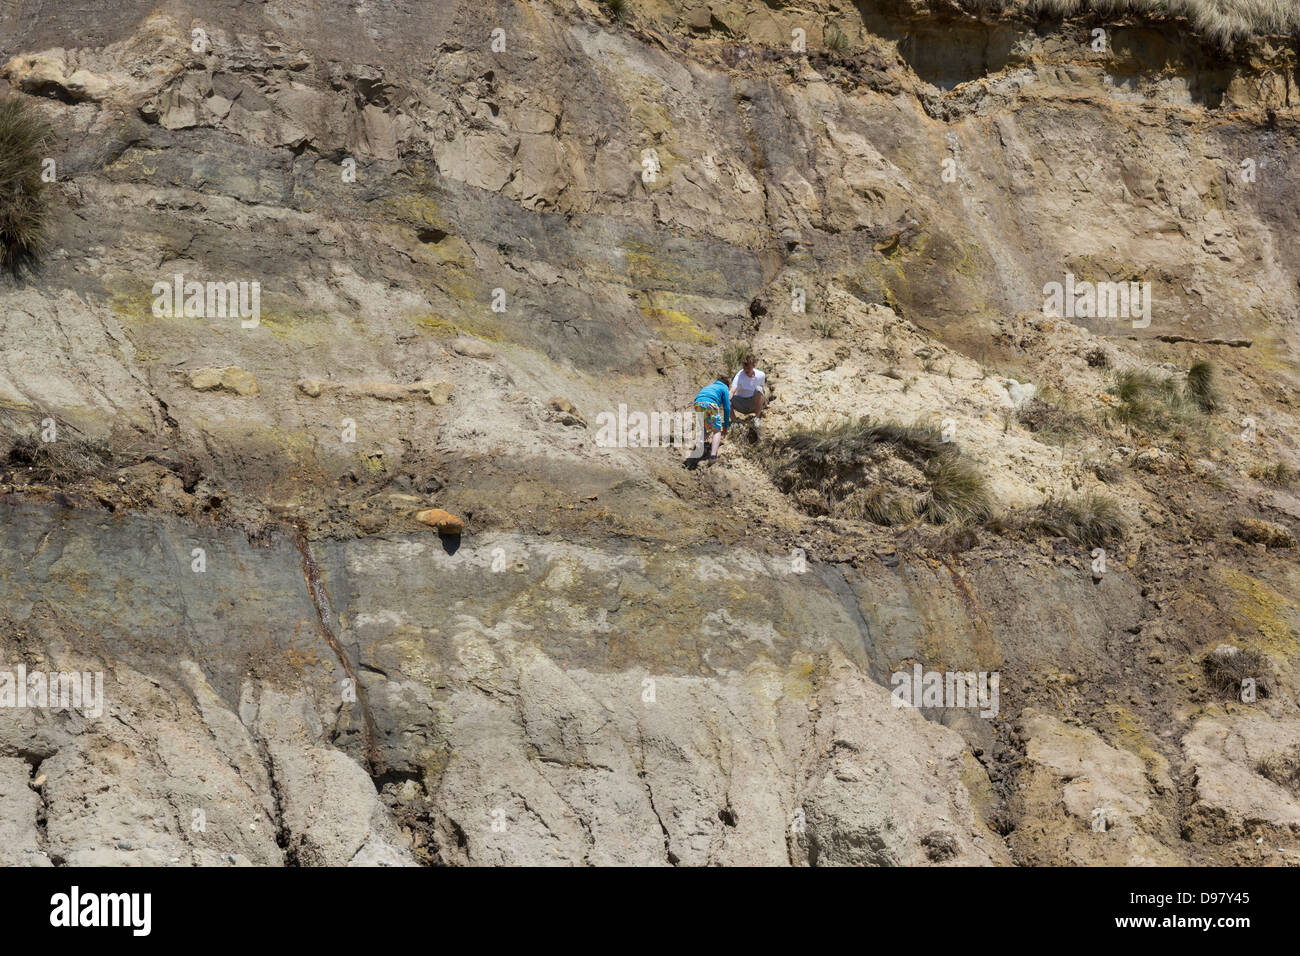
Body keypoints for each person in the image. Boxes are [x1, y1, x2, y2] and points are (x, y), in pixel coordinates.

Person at [693, 375, 732, 463]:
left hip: (698, 403)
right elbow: (727, 408)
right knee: (716, 430)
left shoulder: (711, 386)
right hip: (710, 404)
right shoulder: (724, 387)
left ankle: (699, 448)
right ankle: (713, 456)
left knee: (706, 428)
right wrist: (725, 427)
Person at [730, 354, 767, 426]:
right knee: (725, 397)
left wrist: (765, 402)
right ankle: (735, 422)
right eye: (744, 368)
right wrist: (726, 399)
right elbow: (732, 391)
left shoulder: (761, 375)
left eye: (748, 368)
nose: (746, 370)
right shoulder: (739, 376)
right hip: (742, 403)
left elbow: (762, 390)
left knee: (759, 388)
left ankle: (757, 418)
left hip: (754, 403)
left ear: (754, 366)